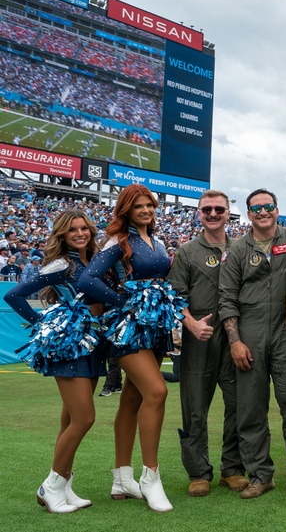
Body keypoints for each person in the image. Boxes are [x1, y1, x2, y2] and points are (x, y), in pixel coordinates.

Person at [78, 184, 177, 512]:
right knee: (157, 392)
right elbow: (88, 280)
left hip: (156, 326)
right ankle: (151, 477)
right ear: (126, 210)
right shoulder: (116, 241)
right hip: (128, 329)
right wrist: (123, 300)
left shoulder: (158, 240)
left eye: (150, 205)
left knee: (133, 400)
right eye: (139, 206)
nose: (146, 210)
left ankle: (122, 478)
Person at [4, 209, 103, 513]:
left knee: (70, 420)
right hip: (69, 346)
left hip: (93, 343)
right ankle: (51, 486)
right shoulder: (62, 264)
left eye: (84, 228)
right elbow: (14, 296)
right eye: (72, 230)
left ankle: (65, 485)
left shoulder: (94, 259)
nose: (79, 233)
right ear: (62, 234)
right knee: (85, 418)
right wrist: (44, 325)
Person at [217, 189, 286, 499]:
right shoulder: (237, 250)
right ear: (248, 214)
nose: (263, 212)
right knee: (250, 408)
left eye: (268, 206)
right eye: (256, 208)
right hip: (250, 332)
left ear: (276, 209)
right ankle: (261, 475)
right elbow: (227, 298)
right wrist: (235, 341)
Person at [168, 190, 248, 496]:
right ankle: (198, 473)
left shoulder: (242, 248)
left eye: (219, 209)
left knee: (238, 405)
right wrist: (190, 323)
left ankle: (233, 469)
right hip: (199, 340)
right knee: (195, 408)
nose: (213, 214)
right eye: (207, 210)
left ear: (229, 213)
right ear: (198, 214)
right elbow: (176, 296)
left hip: (235, 340)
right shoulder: (187, 251)